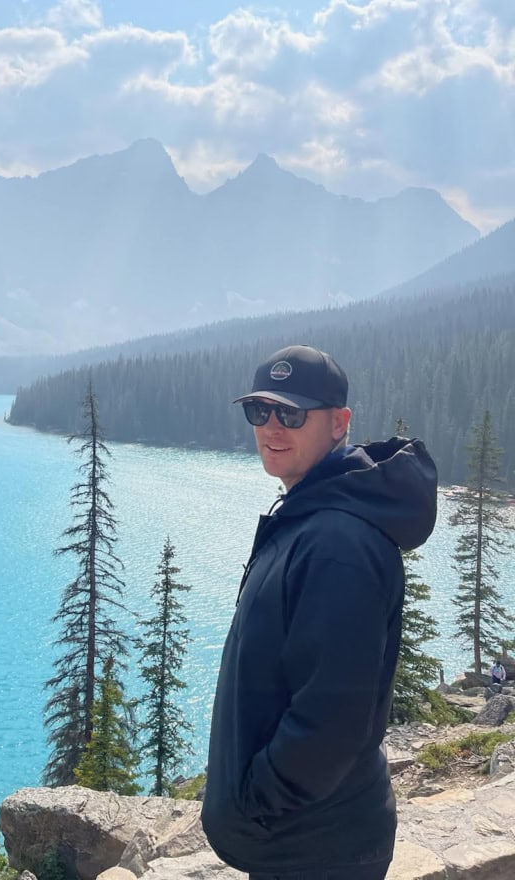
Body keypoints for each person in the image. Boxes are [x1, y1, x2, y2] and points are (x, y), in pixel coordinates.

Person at [201, 344, 438, 880]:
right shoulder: (313, 514)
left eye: (291, 413)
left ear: (339, 423)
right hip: (306, 839)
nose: (271, 427)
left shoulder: (338, 543)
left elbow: (332, 717)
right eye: (259, 411)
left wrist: (256, 802)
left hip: (315, 848)